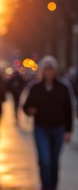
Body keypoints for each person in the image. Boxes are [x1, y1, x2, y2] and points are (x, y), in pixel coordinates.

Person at [23, 56, 74, 190]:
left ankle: (53, 185)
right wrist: (30, 111)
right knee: (45, 160)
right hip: (41, 129)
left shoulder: (63, 88)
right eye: (46, 70)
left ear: (55, 71)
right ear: (42, 71)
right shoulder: (35, 88)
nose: (49, 73)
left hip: (58, 128)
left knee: (54, 162)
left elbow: (69, 110)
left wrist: (68, 130)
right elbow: (26, 107)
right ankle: (46, 186)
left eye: (51, 70)